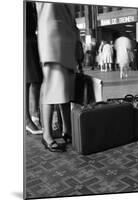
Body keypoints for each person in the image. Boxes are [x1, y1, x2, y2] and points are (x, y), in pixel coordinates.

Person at [36, 2, 80, 152]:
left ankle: (67, 130)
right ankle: (47, 134)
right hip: (52, 36)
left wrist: (77, 39)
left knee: (65, 89)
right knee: (52, 86)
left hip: (68, 37)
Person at [26, 2, 43, 135]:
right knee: (26, 82)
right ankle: (26, 120)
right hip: (24, 40)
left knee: (36, 80)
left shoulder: (31, 4)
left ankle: (35, 116)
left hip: (33, 39)